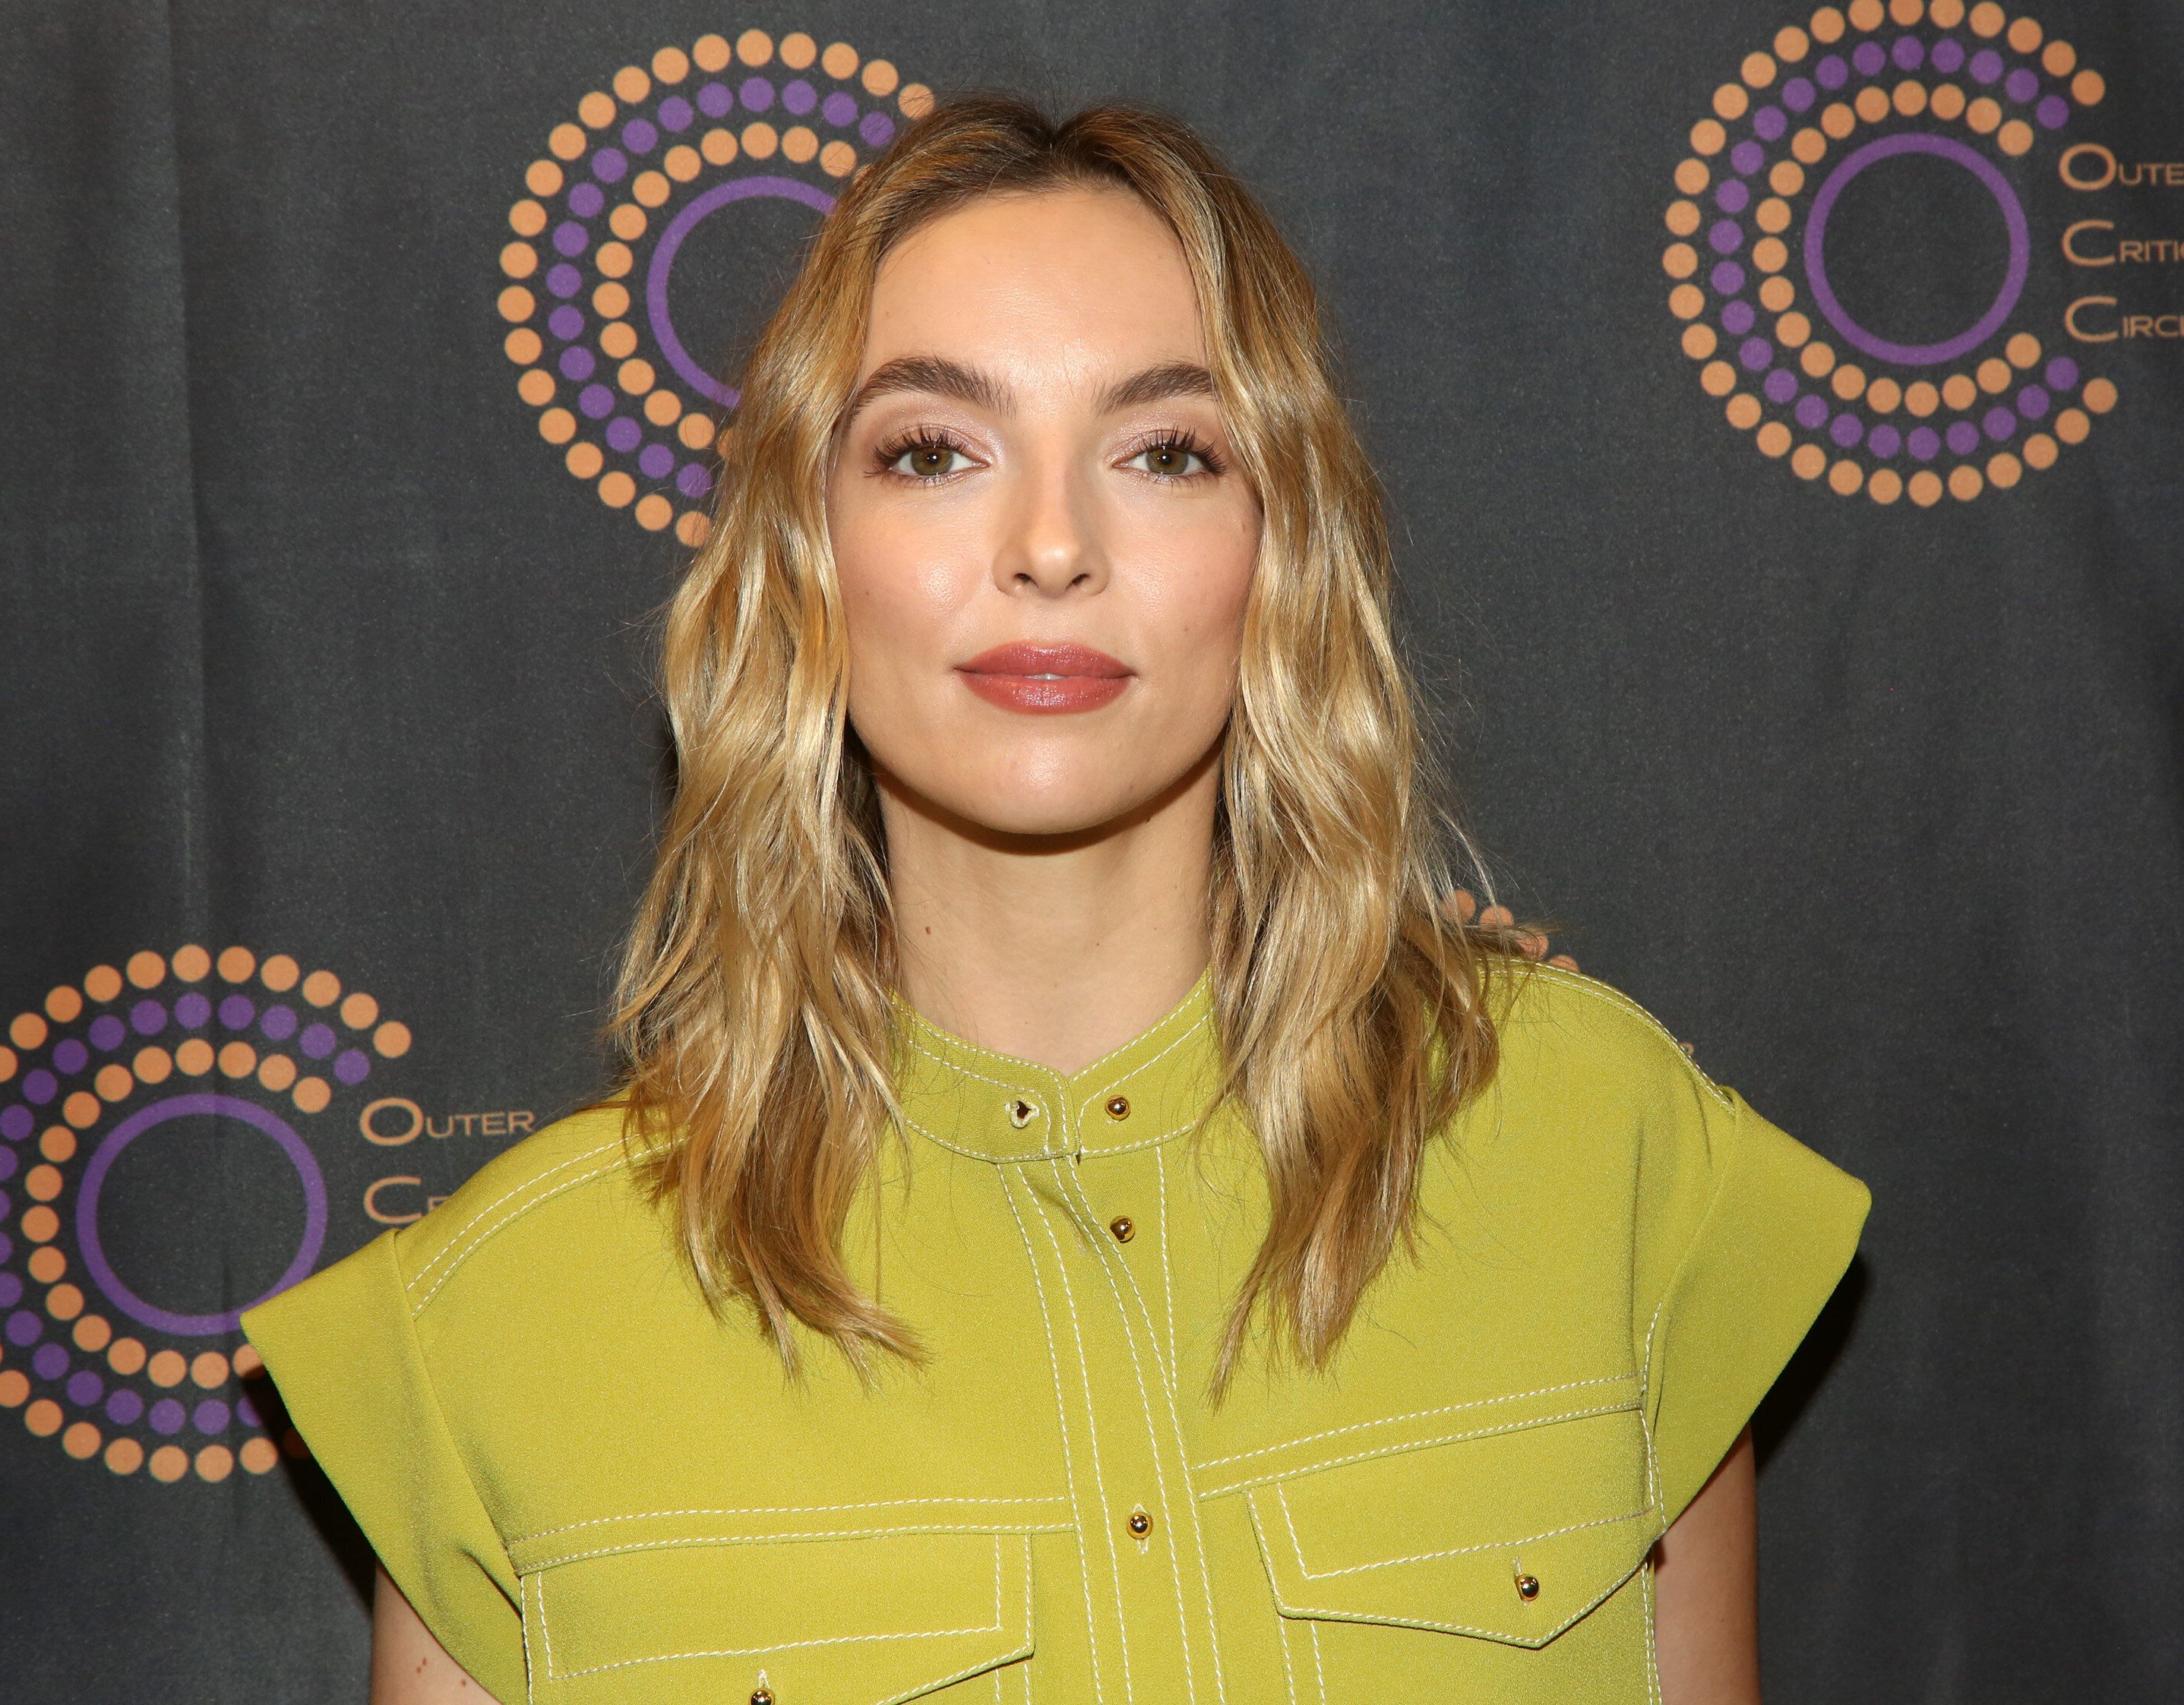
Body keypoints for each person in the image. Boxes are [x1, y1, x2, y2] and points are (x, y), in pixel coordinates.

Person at [245, 94, 1868, 1705]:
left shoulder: (1603, 1155)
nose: (1049, 545)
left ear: (1280, 545)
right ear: (807, 555)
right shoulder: (502, 1330)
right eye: (935, 451)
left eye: (1165, 451)